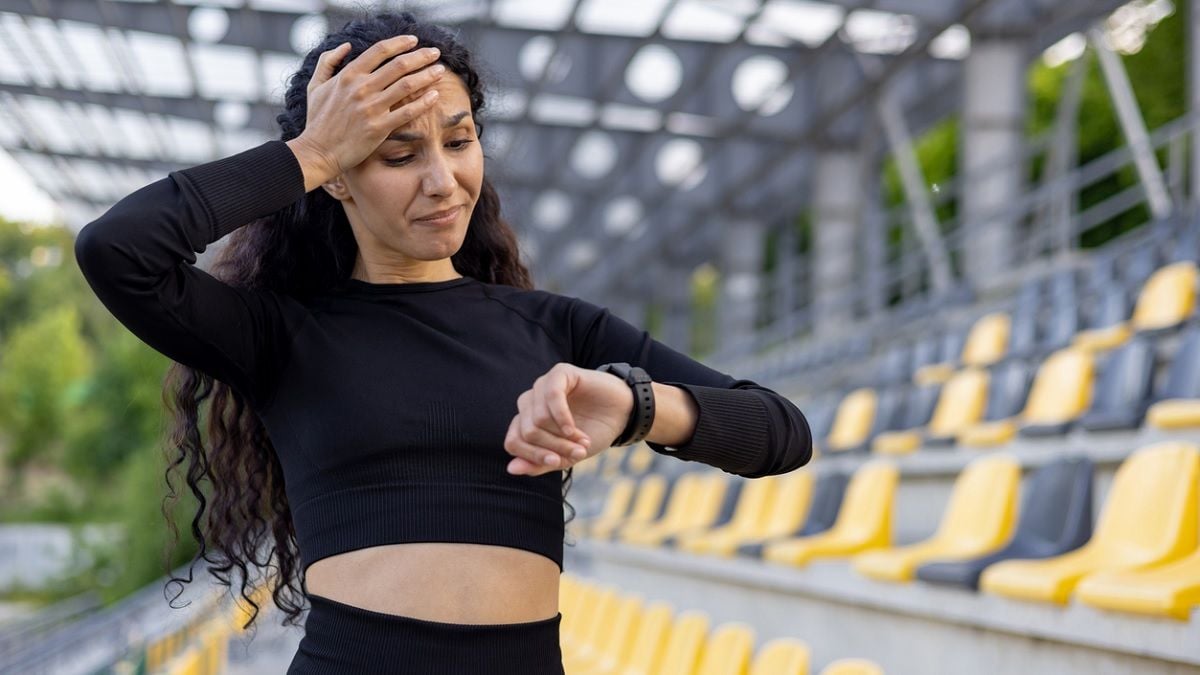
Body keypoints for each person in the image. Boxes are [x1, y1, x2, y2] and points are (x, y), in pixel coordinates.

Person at [73, 11, 812, 675]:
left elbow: (781, 432)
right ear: (338, 179)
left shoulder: (553, 328)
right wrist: (310, 151)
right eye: (397, 155)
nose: (443, 181)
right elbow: (117, 250)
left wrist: (636, 404)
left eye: (459, 141)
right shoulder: (280, 334)